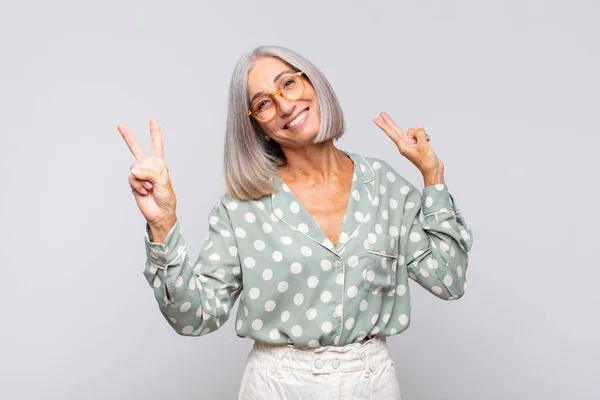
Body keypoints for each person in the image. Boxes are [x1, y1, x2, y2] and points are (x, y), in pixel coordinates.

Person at [118, 45, 473, 399]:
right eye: (263, 103)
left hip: (372, 383)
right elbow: (194, 317)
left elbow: (449, 279)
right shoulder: (243, 208)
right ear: (258, 127)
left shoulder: (384, 186)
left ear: (313, 84)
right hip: (279, 386)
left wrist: (433, 176)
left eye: (288, 84)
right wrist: (163, 225)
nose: (285, 106)